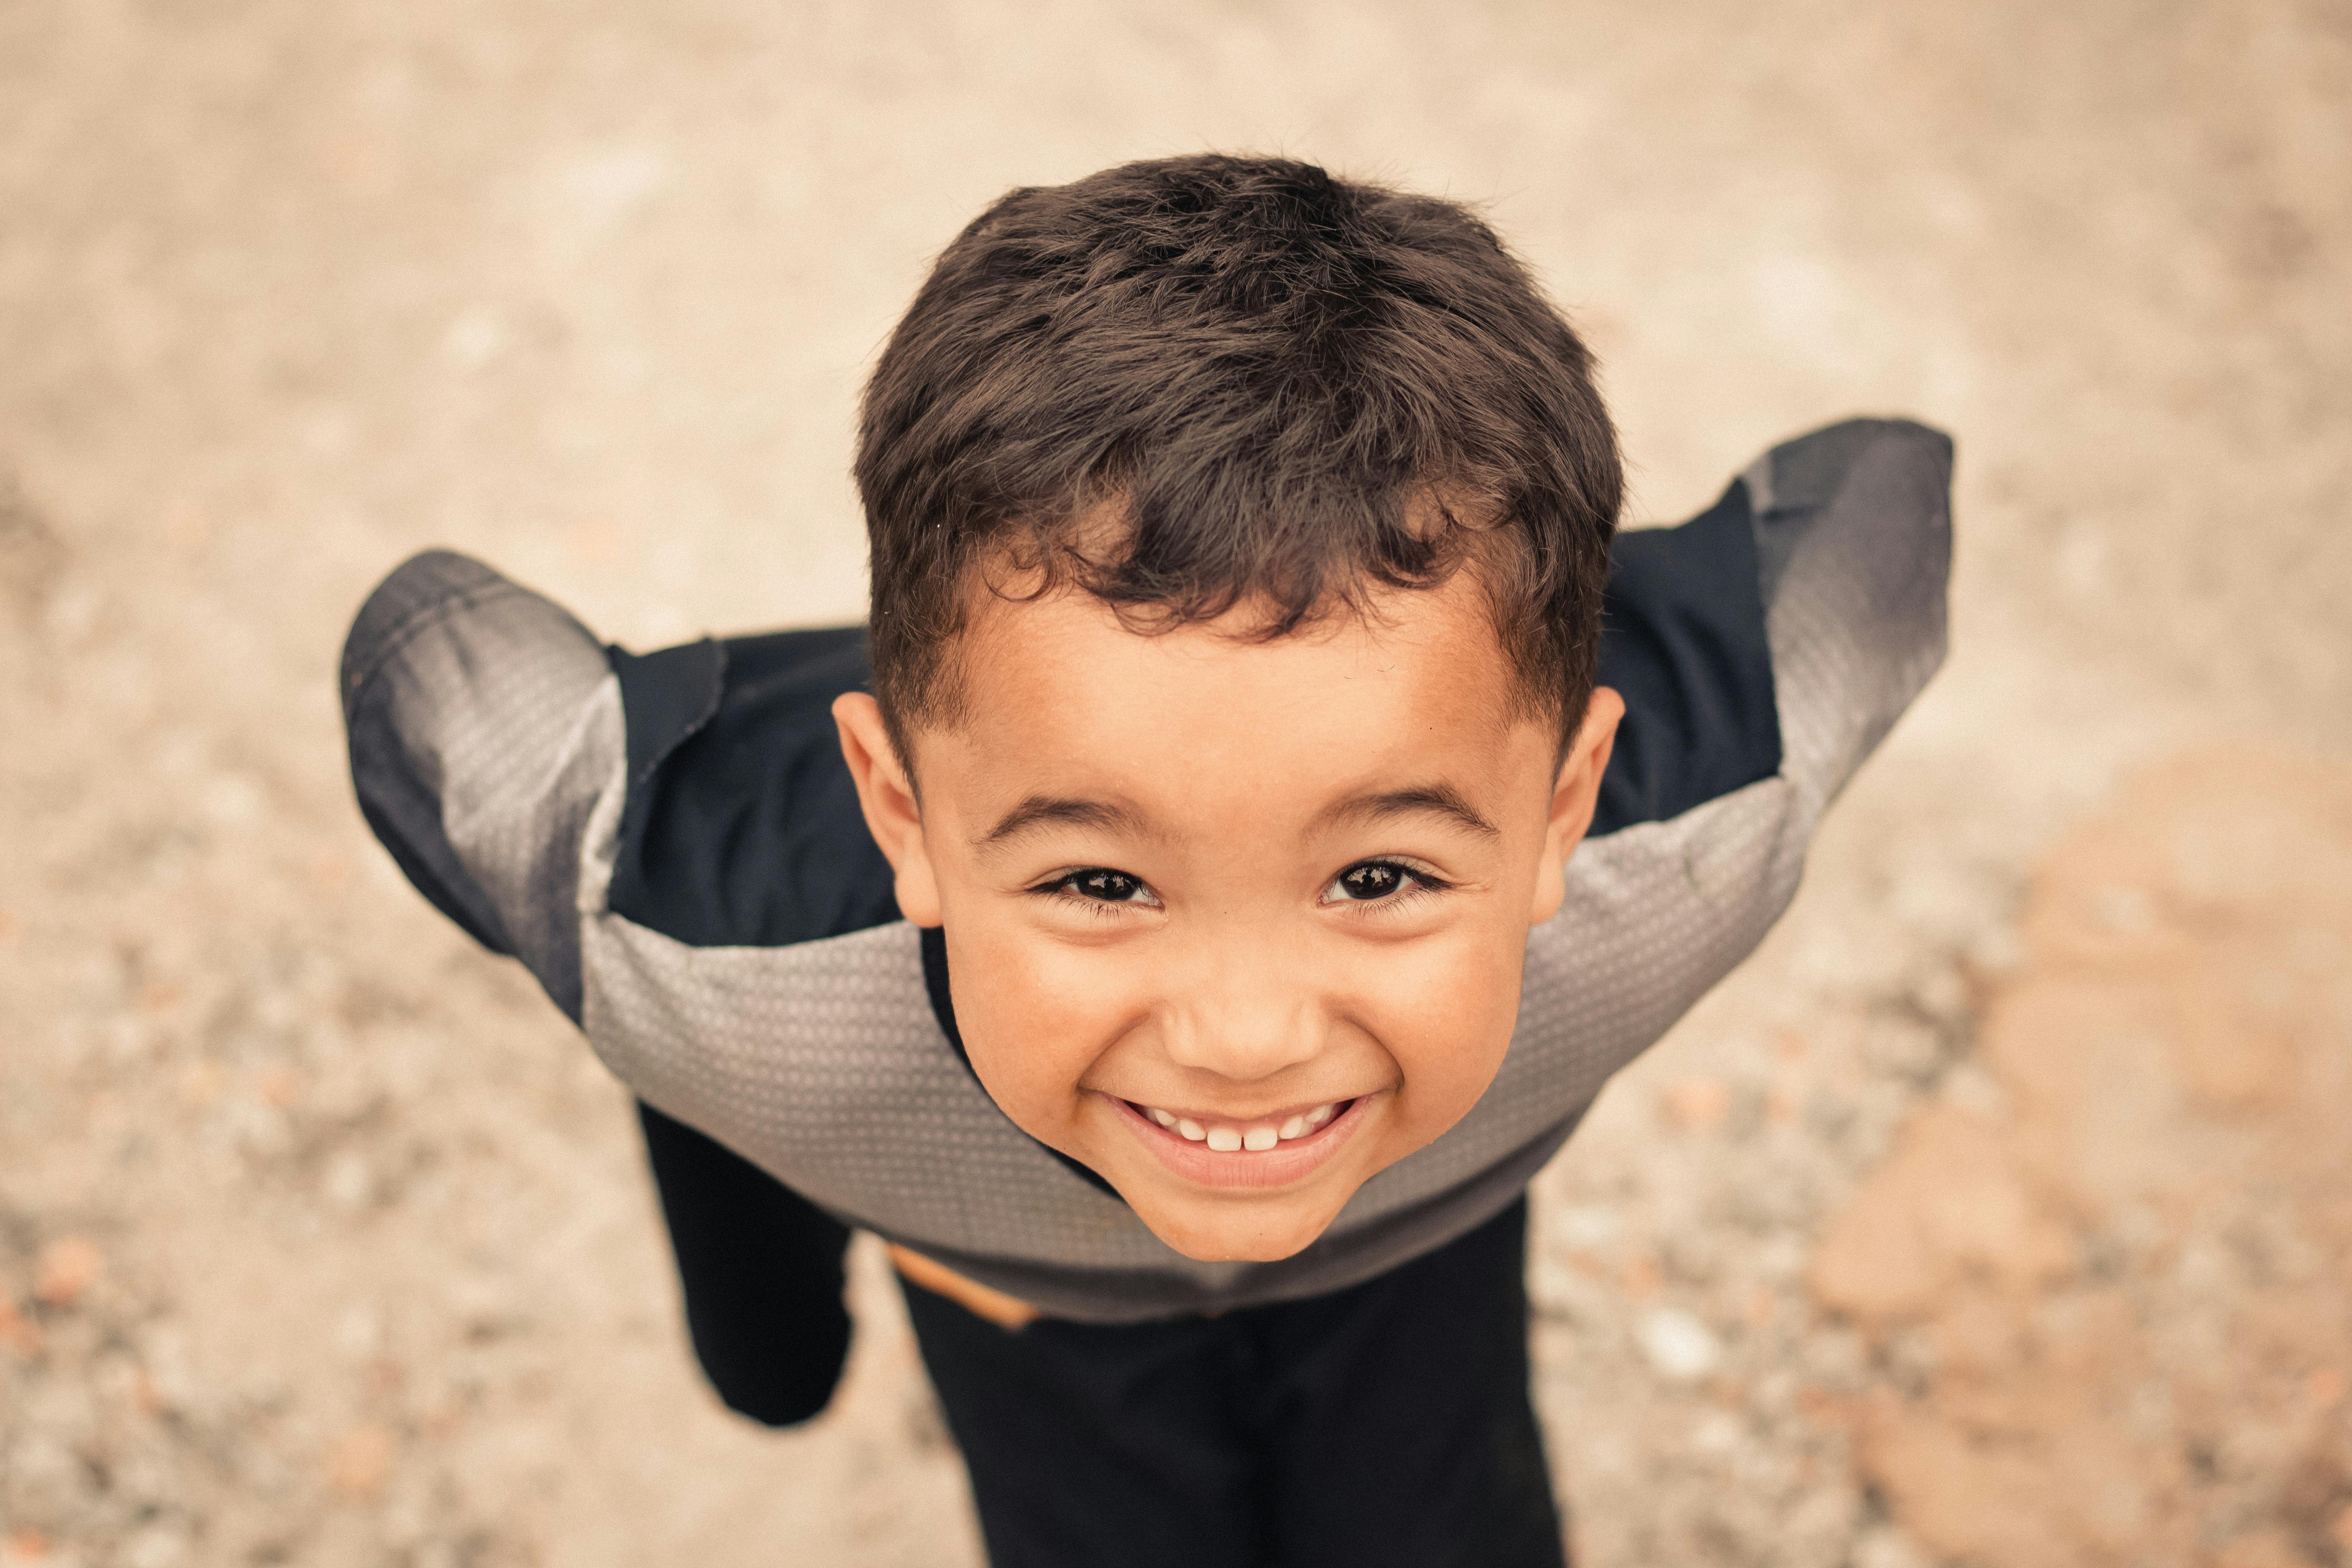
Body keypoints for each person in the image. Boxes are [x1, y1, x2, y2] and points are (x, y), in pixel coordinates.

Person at [339, 153, 1950, 1567]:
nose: (1245, 1041)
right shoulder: (723, 967)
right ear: (898, 814)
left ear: (1564, 808)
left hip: (1407, 1237)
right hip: (1017, 1275)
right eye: (1099, 879)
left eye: (1379, 875)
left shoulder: (1675, 853)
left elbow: (1891, 502)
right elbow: (426, 670)